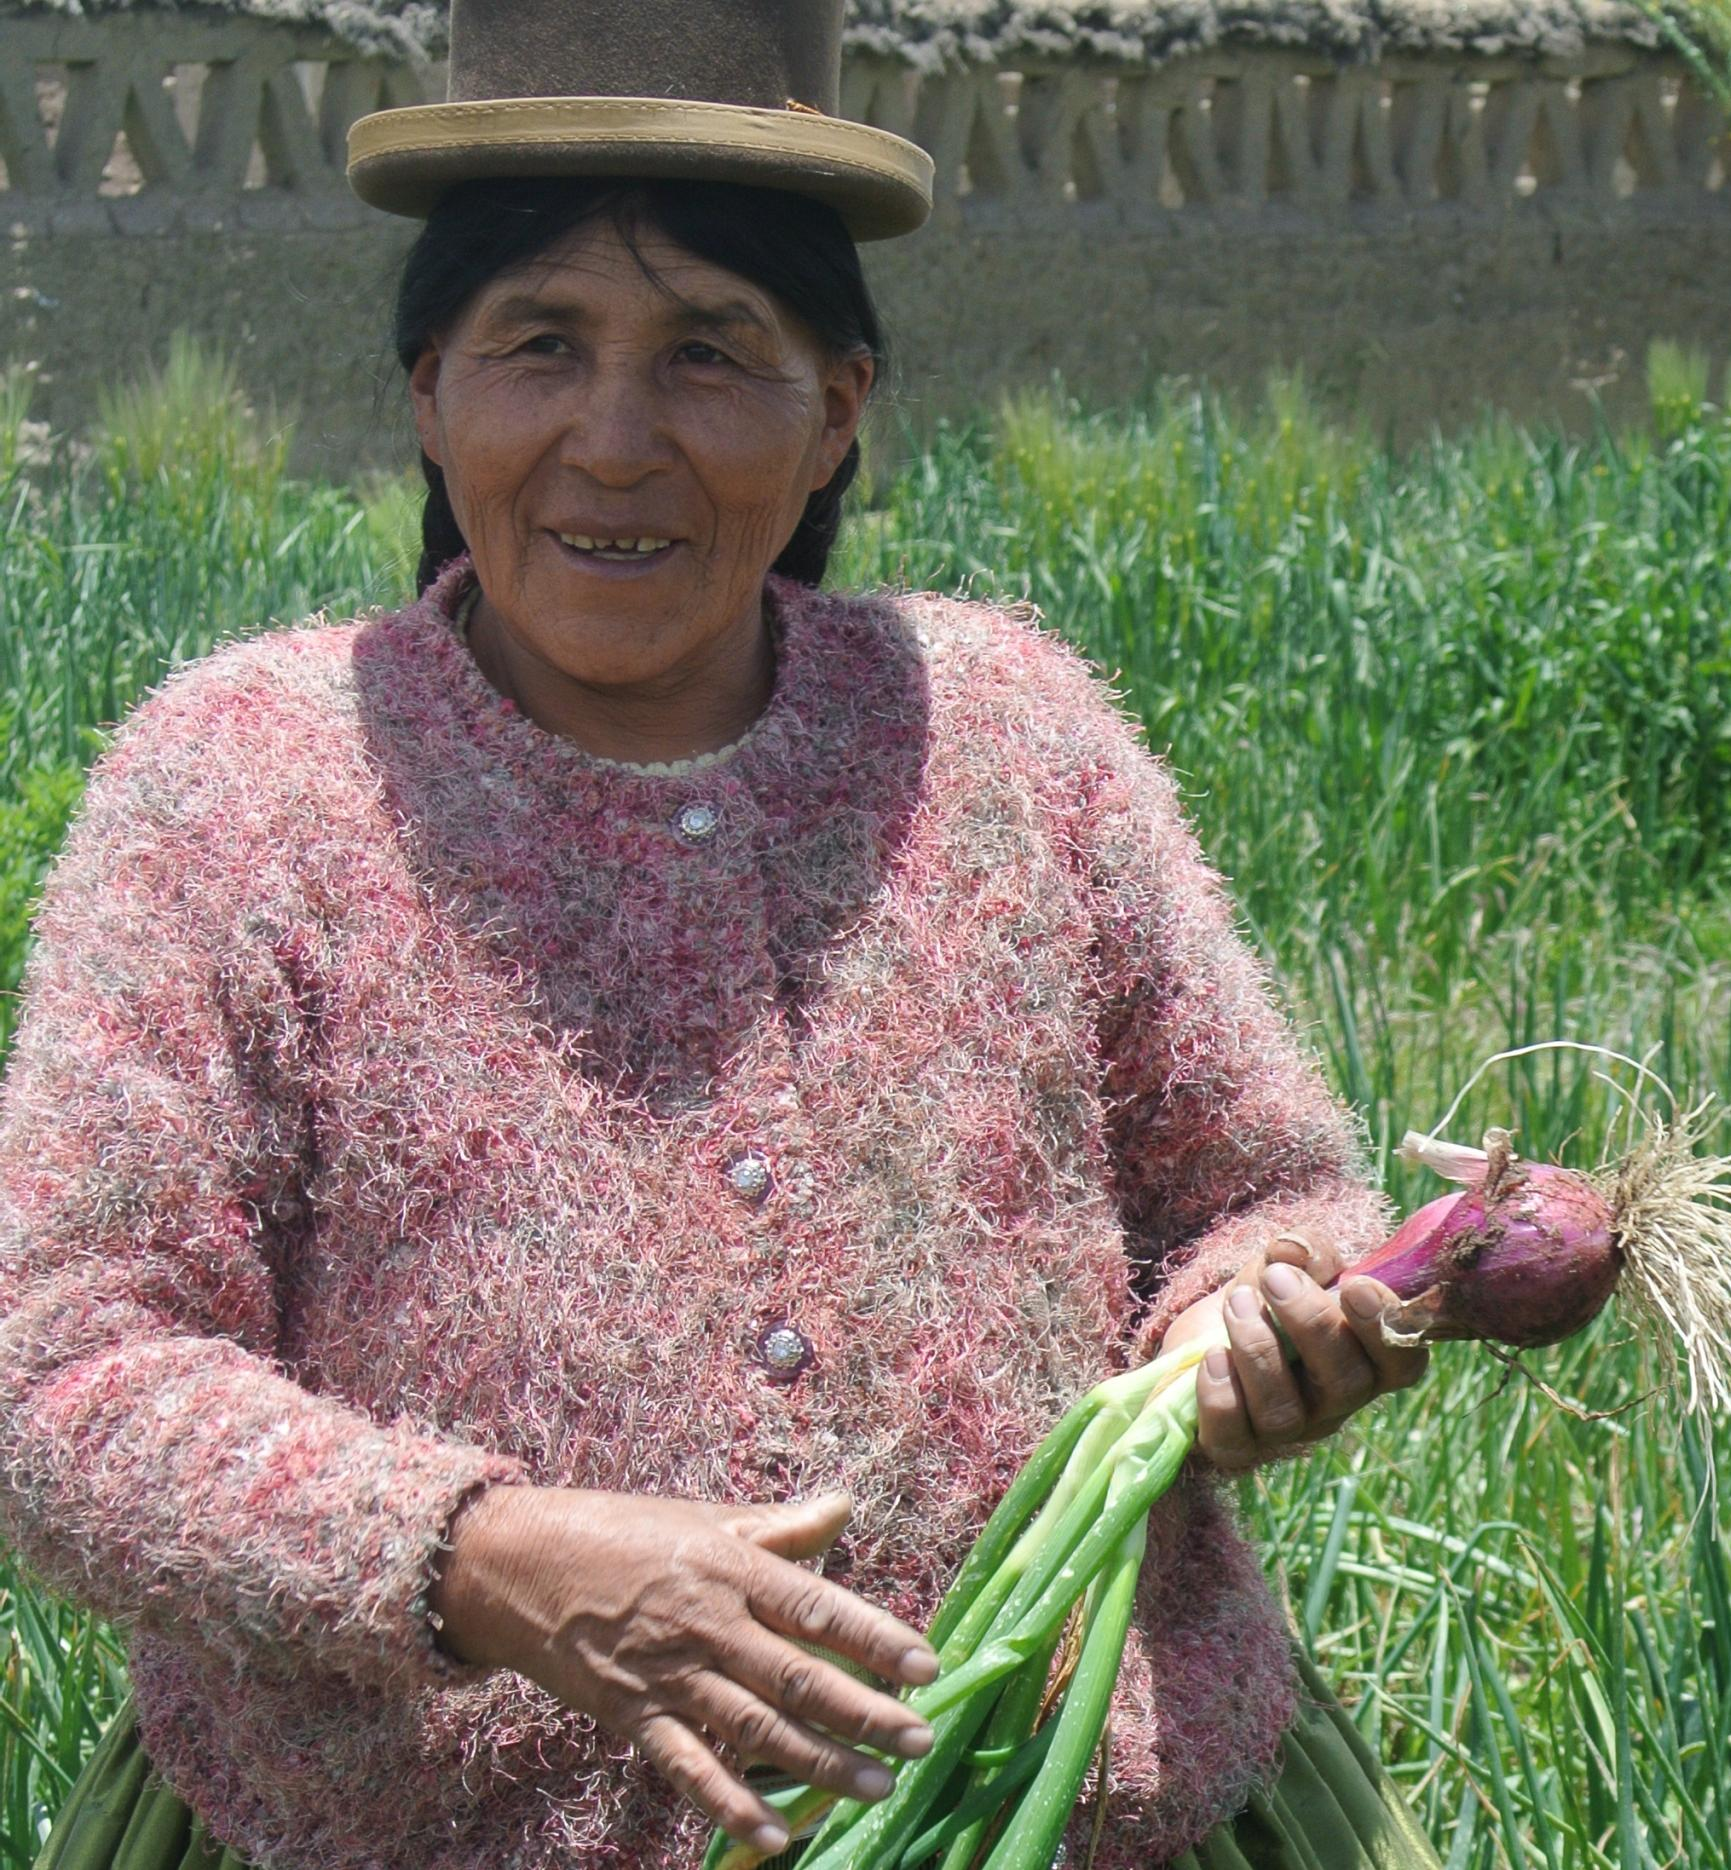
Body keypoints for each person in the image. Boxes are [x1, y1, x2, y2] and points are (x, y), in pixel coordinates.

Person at [2, 3, 1446, 1866]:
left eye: (708, 354)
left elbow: (1265, 1192)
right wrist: (480, 1558)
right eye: (539, 345)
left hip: (1086, 1810)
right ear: (429, 390)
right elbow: (61, 1376)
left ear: (836, 408)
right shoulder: (242, 788)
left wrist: (1269, 1314)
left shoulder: (1009, 735)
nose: (615, 439)